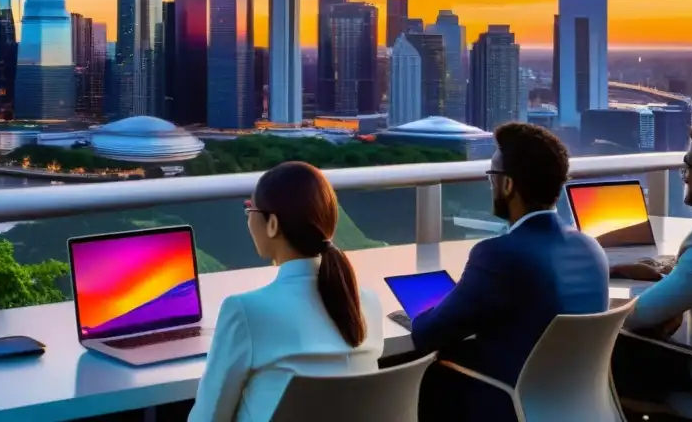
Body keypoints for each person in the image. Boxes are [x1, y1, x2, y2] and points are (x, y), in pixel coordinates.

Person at [410, 122, 609, 422]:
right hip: (578, 407)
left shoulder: (498, 255)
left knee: (425, 374)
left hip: (511, 405)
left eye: (492, 176)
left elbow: (427, 334)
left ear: (508, 184)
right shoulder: (591, 248)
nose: (491, 185)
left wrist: (423, 310)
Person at [188, 161, 384, 422]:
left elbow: (207, 418)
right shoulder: (367, 303)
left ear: (272, 225)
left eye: (251, 209)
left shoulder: (245, 312)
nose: (248, 218)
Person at [612, 126, 692, 417]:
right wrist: (672, 279)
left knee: (610, 362)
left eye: (687, 170)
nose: (685, 177)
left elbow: (639, 315)